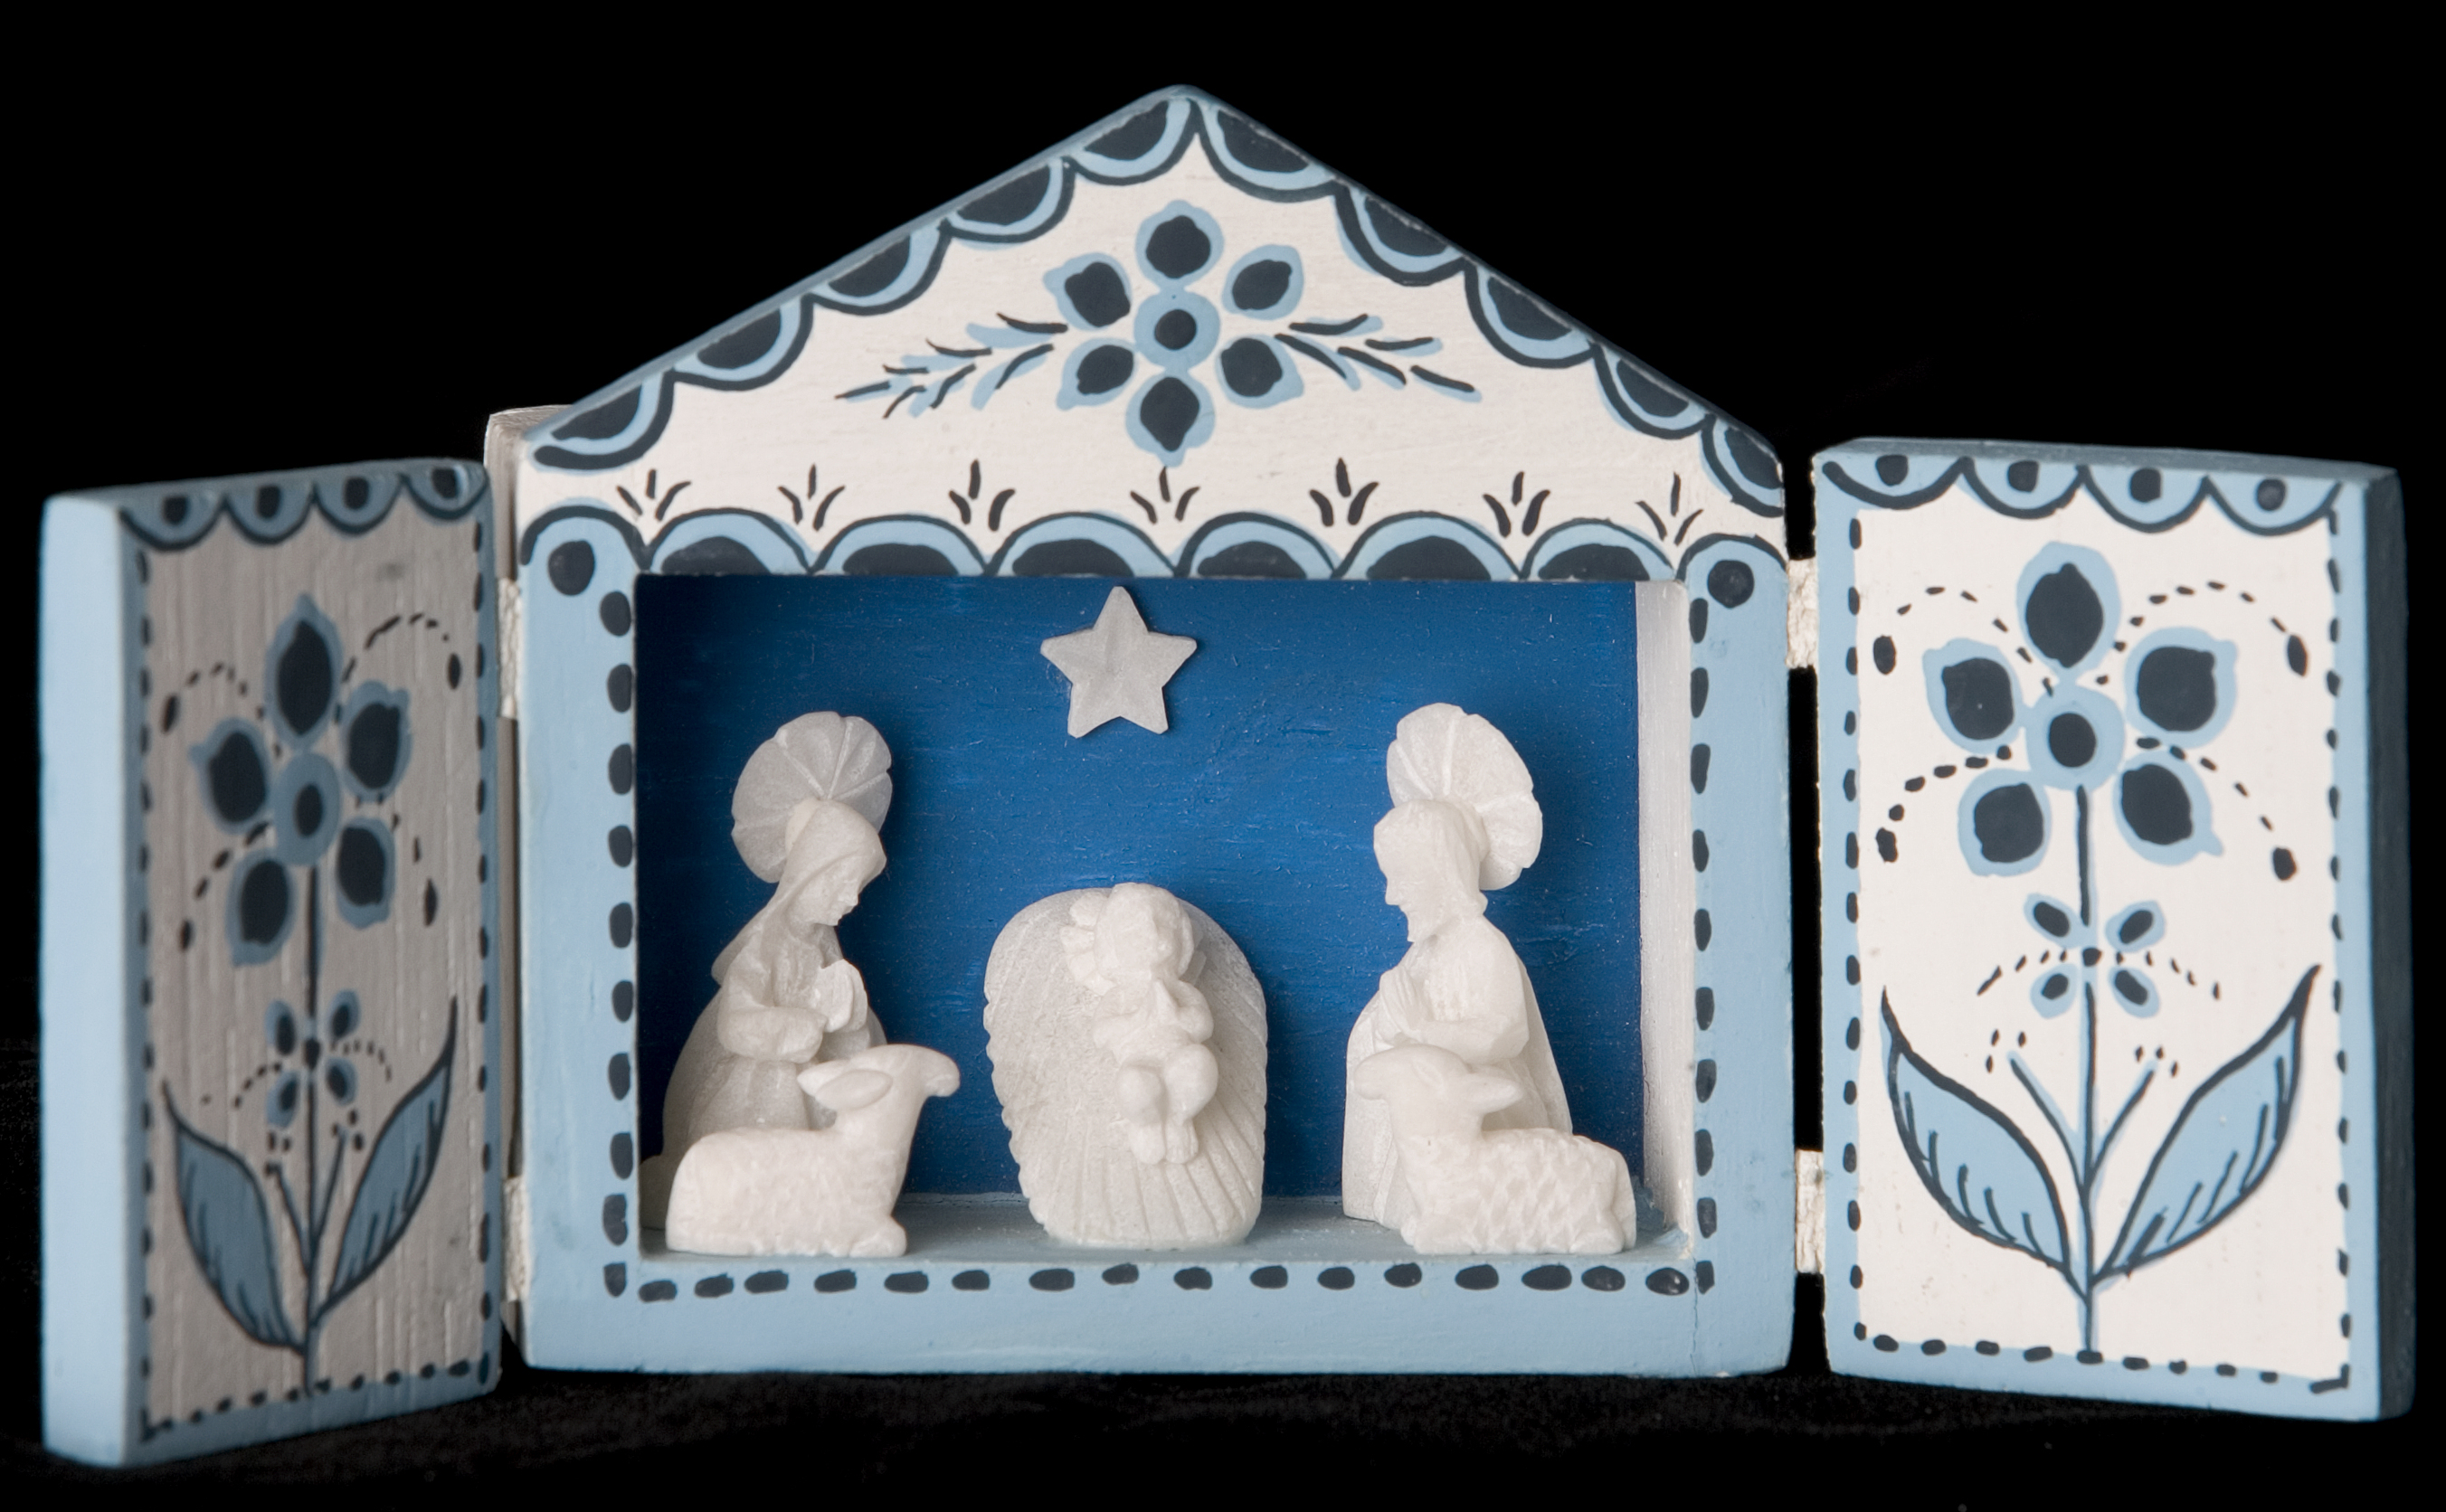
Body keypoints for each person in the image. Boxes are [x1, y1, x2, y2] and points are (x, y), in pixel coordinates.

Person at [640, 713, 893, 1228]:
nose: (852, 899)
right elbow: (737, 1025)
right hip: (757, 1082)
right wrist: (807, 1023)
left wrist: (846, 1018)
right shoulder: (765, 948)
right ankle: (756, 1193)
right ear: (808, 873)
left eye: (859, 887)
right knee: (778, 1082)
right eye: (842, 882)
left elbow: (846, 1024)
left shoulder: (820, 948)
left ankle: (817, 1193)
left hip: (810, 1072)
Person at [1342, 706, 1568, 1230]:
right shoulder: (1427, 952)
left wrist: (1423, 1030)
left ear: (1443, 873)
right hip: (1429, 1118)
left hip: (1481, 1116)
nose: (1392, 896)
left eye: (1402, 879)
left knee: (1456, 1199)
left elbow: (1504, 1035)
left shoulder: (1485, 949)